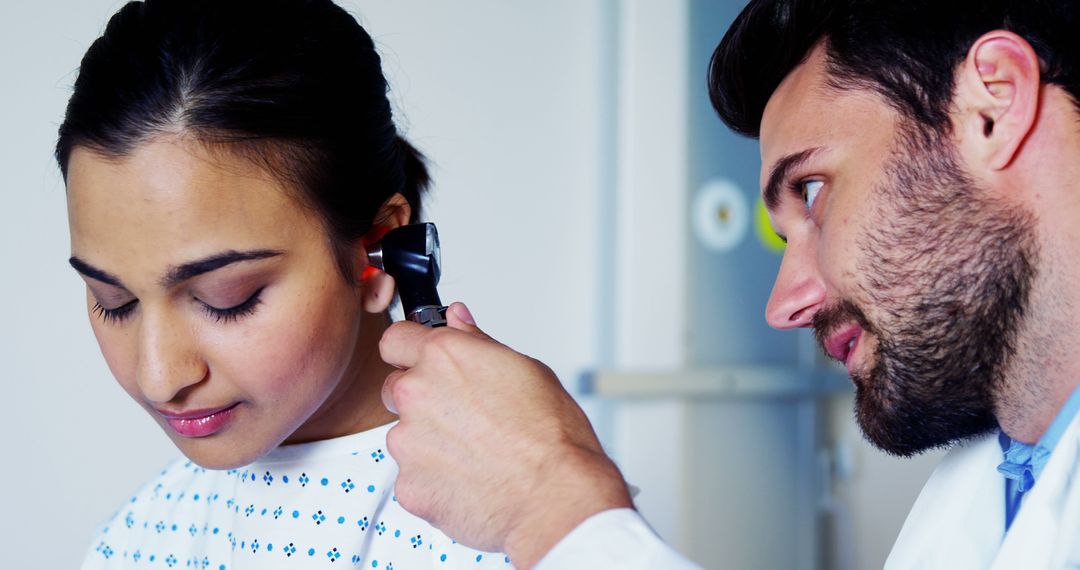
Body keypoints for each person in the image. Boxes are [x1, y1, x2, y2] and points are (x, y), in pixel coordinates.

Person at [378, 0, 1080, 568]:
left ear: (994, 104)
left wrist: (548, 501)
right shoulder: (1000, 476)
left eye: (811, 192)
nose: (783, 305)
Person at [60, 1, 512, 568]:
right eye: (114, 303)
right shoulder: (136, 536)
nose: (158, 378)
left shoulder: (521, 520)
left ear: (379, 251)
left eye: (228, 299)